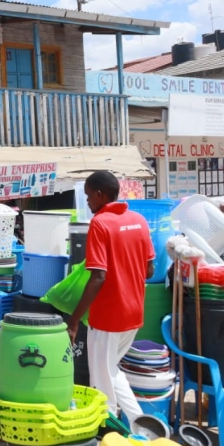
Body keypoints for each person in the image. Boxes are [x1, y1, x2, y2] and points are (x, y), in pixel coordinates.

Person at [67, 171, 154, 422]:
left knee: (101, 381)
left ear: (99, 194)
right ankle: (141, 424)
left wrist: (74, 320)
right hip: (134, 313)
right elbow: (149, 270)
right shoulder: (139, 220)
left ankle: (108, 430)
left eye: (88, 197)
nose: (87, 202)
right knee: (110, 371)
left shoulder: (100, 223)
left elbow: (98, 276)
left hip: (108, 316)